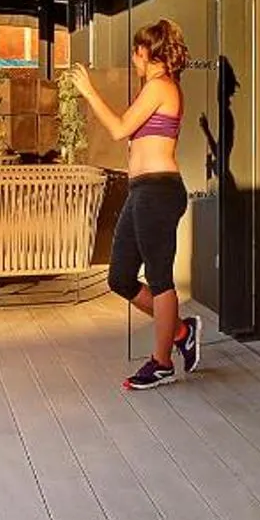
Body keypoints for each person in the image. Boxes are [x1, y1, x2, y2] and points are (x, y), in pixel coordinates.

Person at [71, 20, 207, 391]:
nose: (133, 57)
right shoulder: (155, 88)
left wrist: (89, 92)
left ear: (149, 52)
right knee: (120, 277)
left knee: (160, 278)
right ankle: (181, 330)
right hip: (142, 191)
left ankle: (162, 363)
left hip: (159, 192)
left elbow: (119, 128)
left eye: (136, 51)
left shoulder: (160, 86)